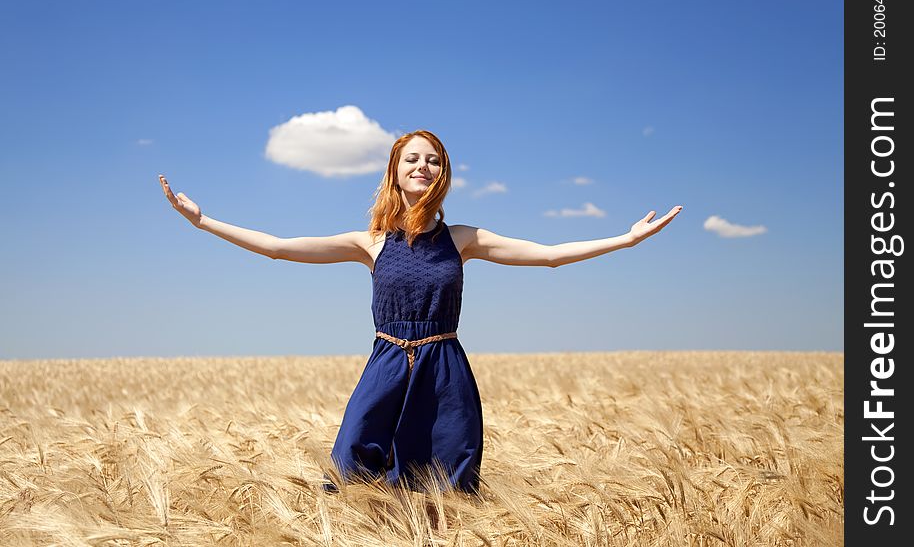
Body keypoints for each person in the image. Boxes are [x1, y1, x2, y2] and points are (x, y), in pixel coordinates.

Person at [158, 129, 682, 498]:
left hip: (443, 371)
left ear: (443, 174)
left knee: (447, 486)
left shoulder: (463, 239)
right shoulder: (370, 243)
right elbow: (277, 247)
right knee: (353, 474)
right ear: (396, 171)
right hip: (385, 368)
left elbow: (546, 254)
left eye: (432, 159)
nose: (422, 166)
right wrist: (204, 223)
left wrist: (626, 240)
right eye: (412, 159)